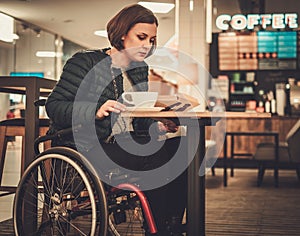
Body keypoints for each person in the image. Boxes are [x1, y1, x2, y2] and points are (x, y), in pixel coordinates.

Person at [45, 4, 186, 235]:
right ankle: (161, 229)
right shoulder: (84, 62)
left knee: (181, 148)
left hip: (123, 143)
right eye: (141, 37)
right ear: (121, 34)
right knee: (156, 156)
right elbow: (54, 106)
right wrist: (95, 110)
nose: (147, 45)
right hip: (85, 147)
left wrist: (156, 126)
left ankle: (168, 224)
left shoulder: (140, 69)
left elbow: (137, 117)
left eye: (152, 39)